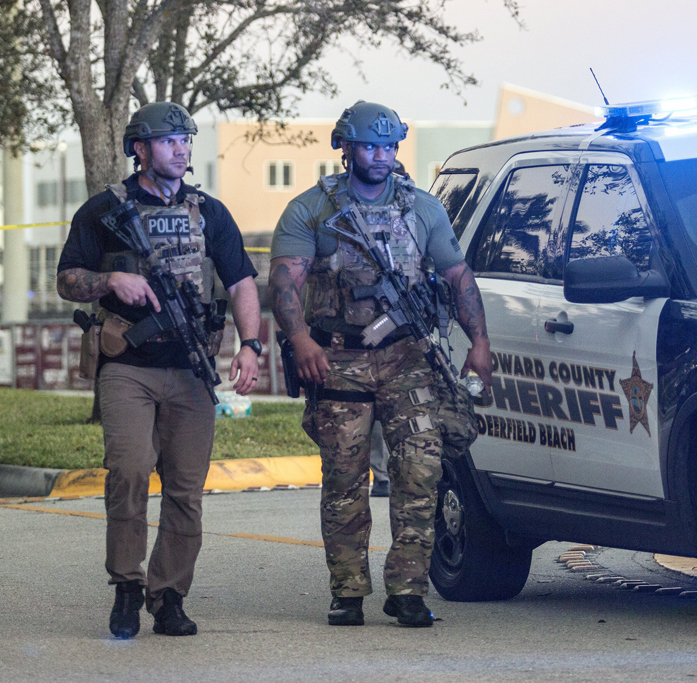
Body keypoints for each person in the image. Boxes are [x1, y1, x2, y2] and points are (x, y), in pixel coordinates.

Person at [268, 100, 492, 627]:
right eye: (371, 145)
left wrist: (479, 342)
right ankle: (347, 591)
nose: (382, 156)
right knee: (344, 478)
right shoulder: (312, 210)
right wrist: (299, 339)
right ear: (345, 147)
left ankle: (408, 590)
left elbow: (458, 277)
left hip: (408, 360)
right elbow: (284, 282)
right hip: (338, 359)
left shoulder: (423, 209)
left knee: (420, 471)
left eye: (390, 146)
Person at [57, 102, 262, 639]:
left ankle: (167, 594)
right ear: (140, 150)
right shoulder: (104, 210)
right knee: (128, 473)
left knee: (186, 489)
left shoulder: (210, 212)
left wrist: (251, 345)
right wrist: (110, 284)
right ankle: (126, 585)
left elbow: (241, 282)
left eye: (186, 140)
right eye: (169, 140)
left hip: (191, 371)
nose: (181, 149)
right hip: (128, 367)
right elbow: (67, 278)